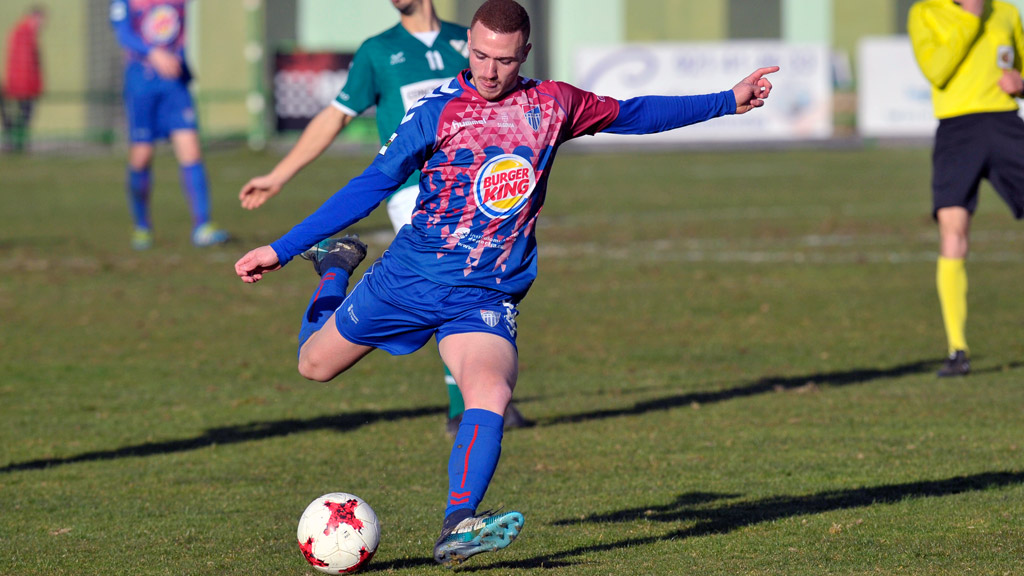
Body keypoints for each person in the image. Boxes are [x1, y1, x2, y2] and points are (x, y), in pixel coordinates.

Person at [234, 0, 777, 565]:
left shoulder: (553, 104)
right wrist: (281, 248)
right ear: (469, 46)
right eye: (480, 55)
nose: (489, 71)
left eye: (503, 59)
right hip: (408, 280)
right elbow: (369, 186)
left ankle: (457, 523)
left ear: (526, 54)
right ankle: (337, 267)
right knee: (313, 366)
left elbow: (634, 112)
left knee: (490, 391)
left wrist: (726, 101)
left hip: (485, 294)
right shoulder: (436, 113)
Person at [239, 0, 527, 436]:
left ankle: (470, 403)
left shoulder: (470, 41)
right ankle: (463, 408)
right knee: (449, 278)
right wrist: (279, 176)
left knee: (464, 285)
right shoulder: (377, 51)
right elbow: (335, 117)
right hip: (413, 190)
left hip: (475, 188)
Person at [908, 0, 1024, 377]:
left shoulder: (1006, 11)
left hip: (1006, 125)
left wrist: (1022, 83)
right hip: (957, 131)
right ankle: (958, 349)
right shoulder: (925, 13)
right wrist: (970, 17)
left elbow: (1020, 65)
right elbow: (936, 70)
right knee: (952, 233)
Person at [110, 0, 229, 250]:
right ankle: (142, 227)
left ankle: (202, 226)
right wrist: (153, 53)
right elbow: (124, 34)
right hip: (141, 82)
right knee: (141, 156)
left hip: (174, 83)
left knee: (191, 150)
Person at [1, 5, 46, 153]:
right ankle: (16, 144)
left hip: (24, 85)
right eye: (41, 20)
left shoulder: (26, 33)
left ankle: (17, 143)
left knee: (23, 116)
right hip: (23, 86)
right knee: (23, 116)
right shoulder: (23, 34)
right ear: (34, 17)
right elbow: (24, 65)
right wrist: (29, 87)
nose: (42, 24)